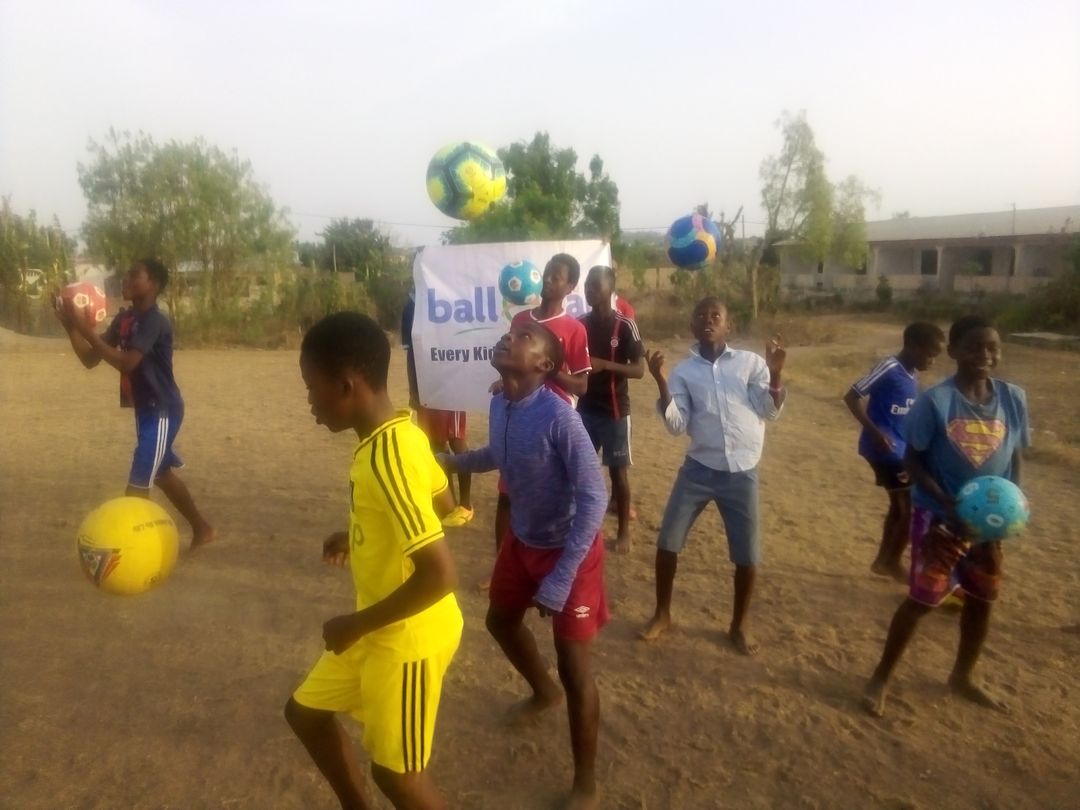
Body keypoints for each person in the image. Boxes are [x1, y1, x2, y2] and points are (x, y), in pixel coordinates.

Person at [285, 312, 463, 810]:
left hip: (405, 637)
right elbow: (444, 501)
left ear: (346, 386)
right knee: (305, 713)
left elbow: (440, 575)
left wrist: (355, 624)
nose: (309, 401)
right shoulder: (405, 430)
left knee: (398, 777)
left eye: (311, 388)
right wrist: (362, 535)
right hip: (378, 627)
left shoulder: (387, 457)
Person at [441, 321, 607, 810]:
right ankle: (543, 693)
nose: (509, 338)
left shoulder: (560, 418)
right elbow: (497, 454)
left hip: (569, 550)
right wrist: (446, 462)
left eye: (524, 338)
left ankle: (586, 784)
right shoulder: (500, 403)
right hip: (523, 539)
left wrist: (561, 576)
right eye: (510, 334)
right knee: (499, 621)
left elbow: (595, 498)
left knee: (575, 667)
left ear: (544, 365)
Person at [863, 315, 1030, 718]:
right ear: (953, 351)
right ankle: (880, 678)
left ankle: (963, 676)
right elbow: (912, 459)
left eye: (992, 347)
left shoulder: (1012, 399)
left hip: (988, 525)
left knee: (982, 599)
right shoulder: (935, 402)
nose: (984, 355)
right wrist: (946, 502)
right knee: (922, 600)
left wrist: (1012, 504)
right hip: (941, 521)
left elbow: (1015, 457)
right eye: (973, 347)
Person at [639, 297, 786, 656]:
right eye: (701, 316)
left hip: (742, 472)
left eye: (716, 316)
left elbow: (769, 411)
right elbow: (677, 426)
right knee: (668, 541)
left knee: (747, 553)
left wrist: (776, 374)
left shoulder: (751, 364)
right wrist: (661, 382)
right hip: (699, 470)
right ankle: (662, 613)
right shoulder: (684, 373)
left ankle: (739, 625)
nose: (708, 321)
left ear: (728, 325)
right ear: (692, 325)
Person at [56, 259, 214, 549]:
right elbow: (90, 359)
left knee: (136, 487)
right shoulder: (124, 320)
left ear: (153, 284)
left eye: (134, 275)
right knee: (162, 474)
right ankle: (202, 529)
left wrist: (86, 329)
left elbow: (127, 363)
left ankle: (133, 553)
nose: (126, 280)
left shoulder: (155, 321)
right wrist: (72, 329)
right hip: (145, 409)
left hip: (163, 409)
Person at [491, 254, 591, 567]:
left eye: (556, 277)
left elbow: (581, 386)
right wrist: (503, 381)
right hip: (519, 415)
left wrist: (549, 369)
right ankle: (502, 565)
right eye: (546, 273)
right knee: (506, 495)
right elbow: (515, 365)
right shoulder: (521, 320)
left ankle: (552, 567)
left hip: (550, 425)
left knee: (549, 499)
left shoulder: (574, 329)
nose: (548, 280)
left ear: (570, 286)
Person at [843, 322, 945, 580]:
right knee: (906, 505)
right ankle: (890, 562)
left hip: (901, 449)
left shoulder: (912, 375)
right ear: (913, 347)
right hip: (884, 449)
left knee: (901, 506)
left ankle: (884, 560)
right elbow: (852, 396)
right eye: (930, 355)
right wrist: (876, 432)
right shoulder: (889, 368)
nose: (932, 361)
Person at [578, 265, 644, 554]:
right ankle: (582, 527)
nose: (589, 290)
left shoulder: (624, 325)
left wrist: (605, 365)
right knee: (580, 469)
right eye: (587, 285)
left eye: (595, 285)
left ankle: (624, 532)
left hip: (615, 411)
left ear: (610, 288)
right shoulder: (580, 324)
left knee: (618, 474)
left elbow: (639, 370)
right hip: (585, 410)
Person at [401, 289, 473, 527]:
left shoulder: (449, 298)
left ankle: (466, 504)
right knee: (435, 444)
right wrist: (414, 389)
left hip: (451, 383)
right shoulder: (412, 305)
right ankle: (447, 505)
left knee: (457, 440)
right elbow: (411, 352)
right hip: (427, 386)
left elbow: (465, 340)